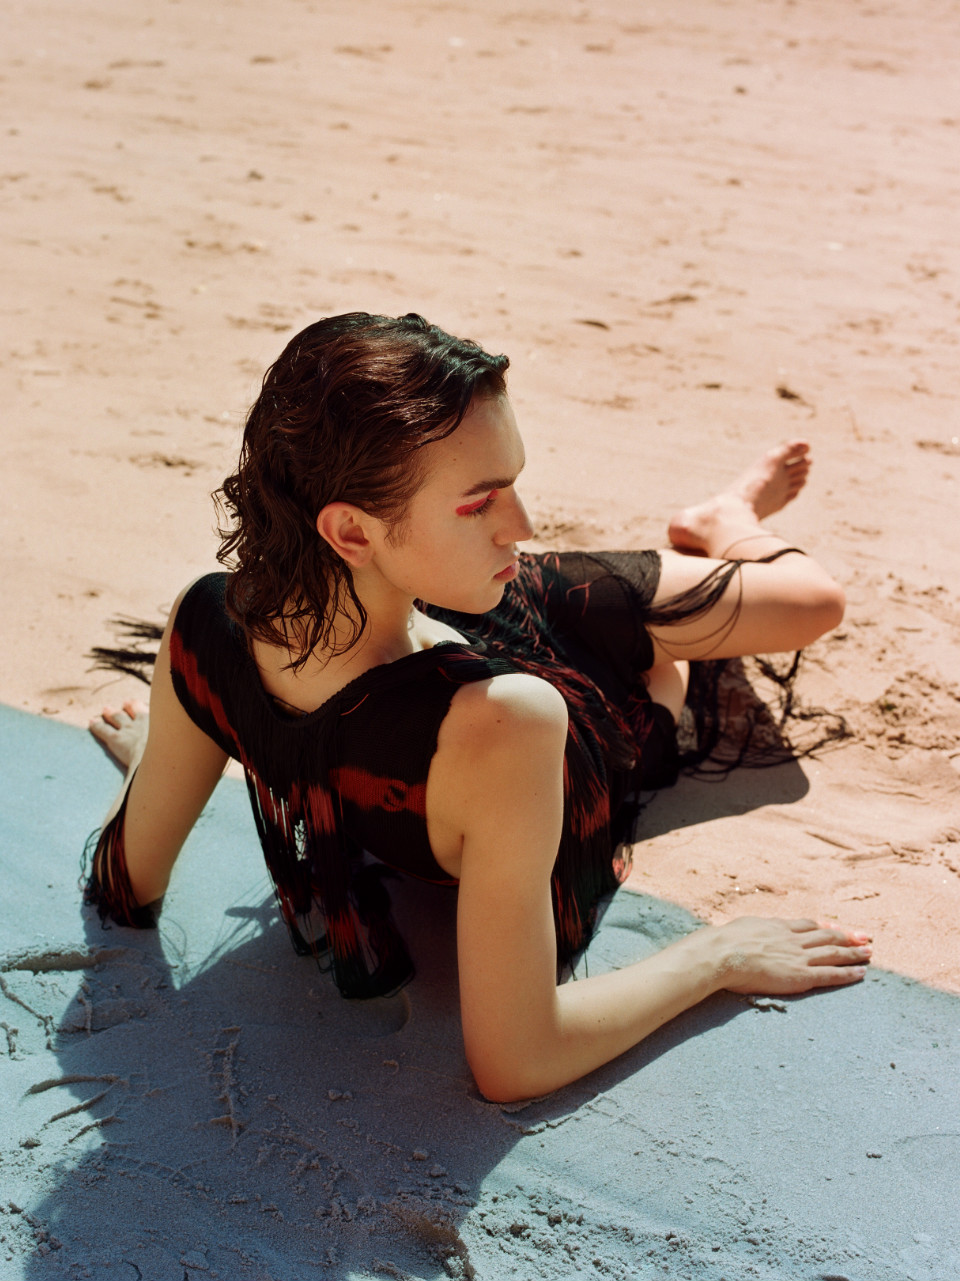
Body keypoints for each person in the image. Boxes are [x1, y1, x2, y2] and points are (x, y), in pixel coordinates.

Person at [85, 311, 870, 1104]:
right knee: (669, 671)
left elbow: (122, 880)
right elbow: (519, 1060)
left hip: (466, 606)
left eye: (513, 484)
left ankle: (726, 523)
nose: (522, 525)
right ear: (350, 530)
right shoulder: (504, 723)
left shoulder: (206, 625)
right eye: (481, 501)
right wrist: (718, 955)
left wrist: (169, 751)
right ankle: (715, 530)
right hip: (547, 678)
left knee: (812, 603)